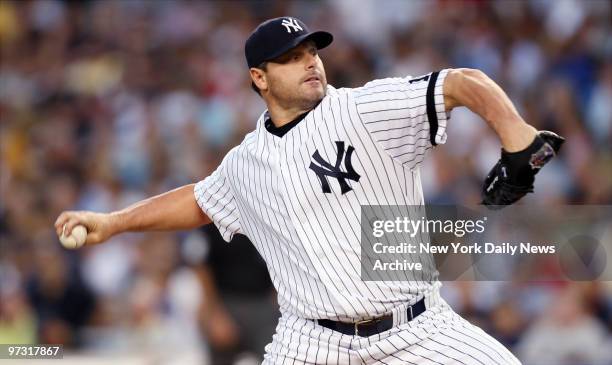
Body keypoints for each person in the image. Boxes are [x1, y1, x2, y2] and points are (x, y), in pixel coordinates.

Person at [55, 17, 561, 364]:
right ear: (259, 77)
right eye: (292, 58)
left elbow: (460, 82)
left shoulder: (363, 110)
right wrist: (113, 222)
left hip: (417, 329)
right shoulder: (246, 162)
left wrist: (517, 138)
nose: (311, 62)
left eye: (312, 51)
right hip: (313, 340)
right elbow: (198, 200)